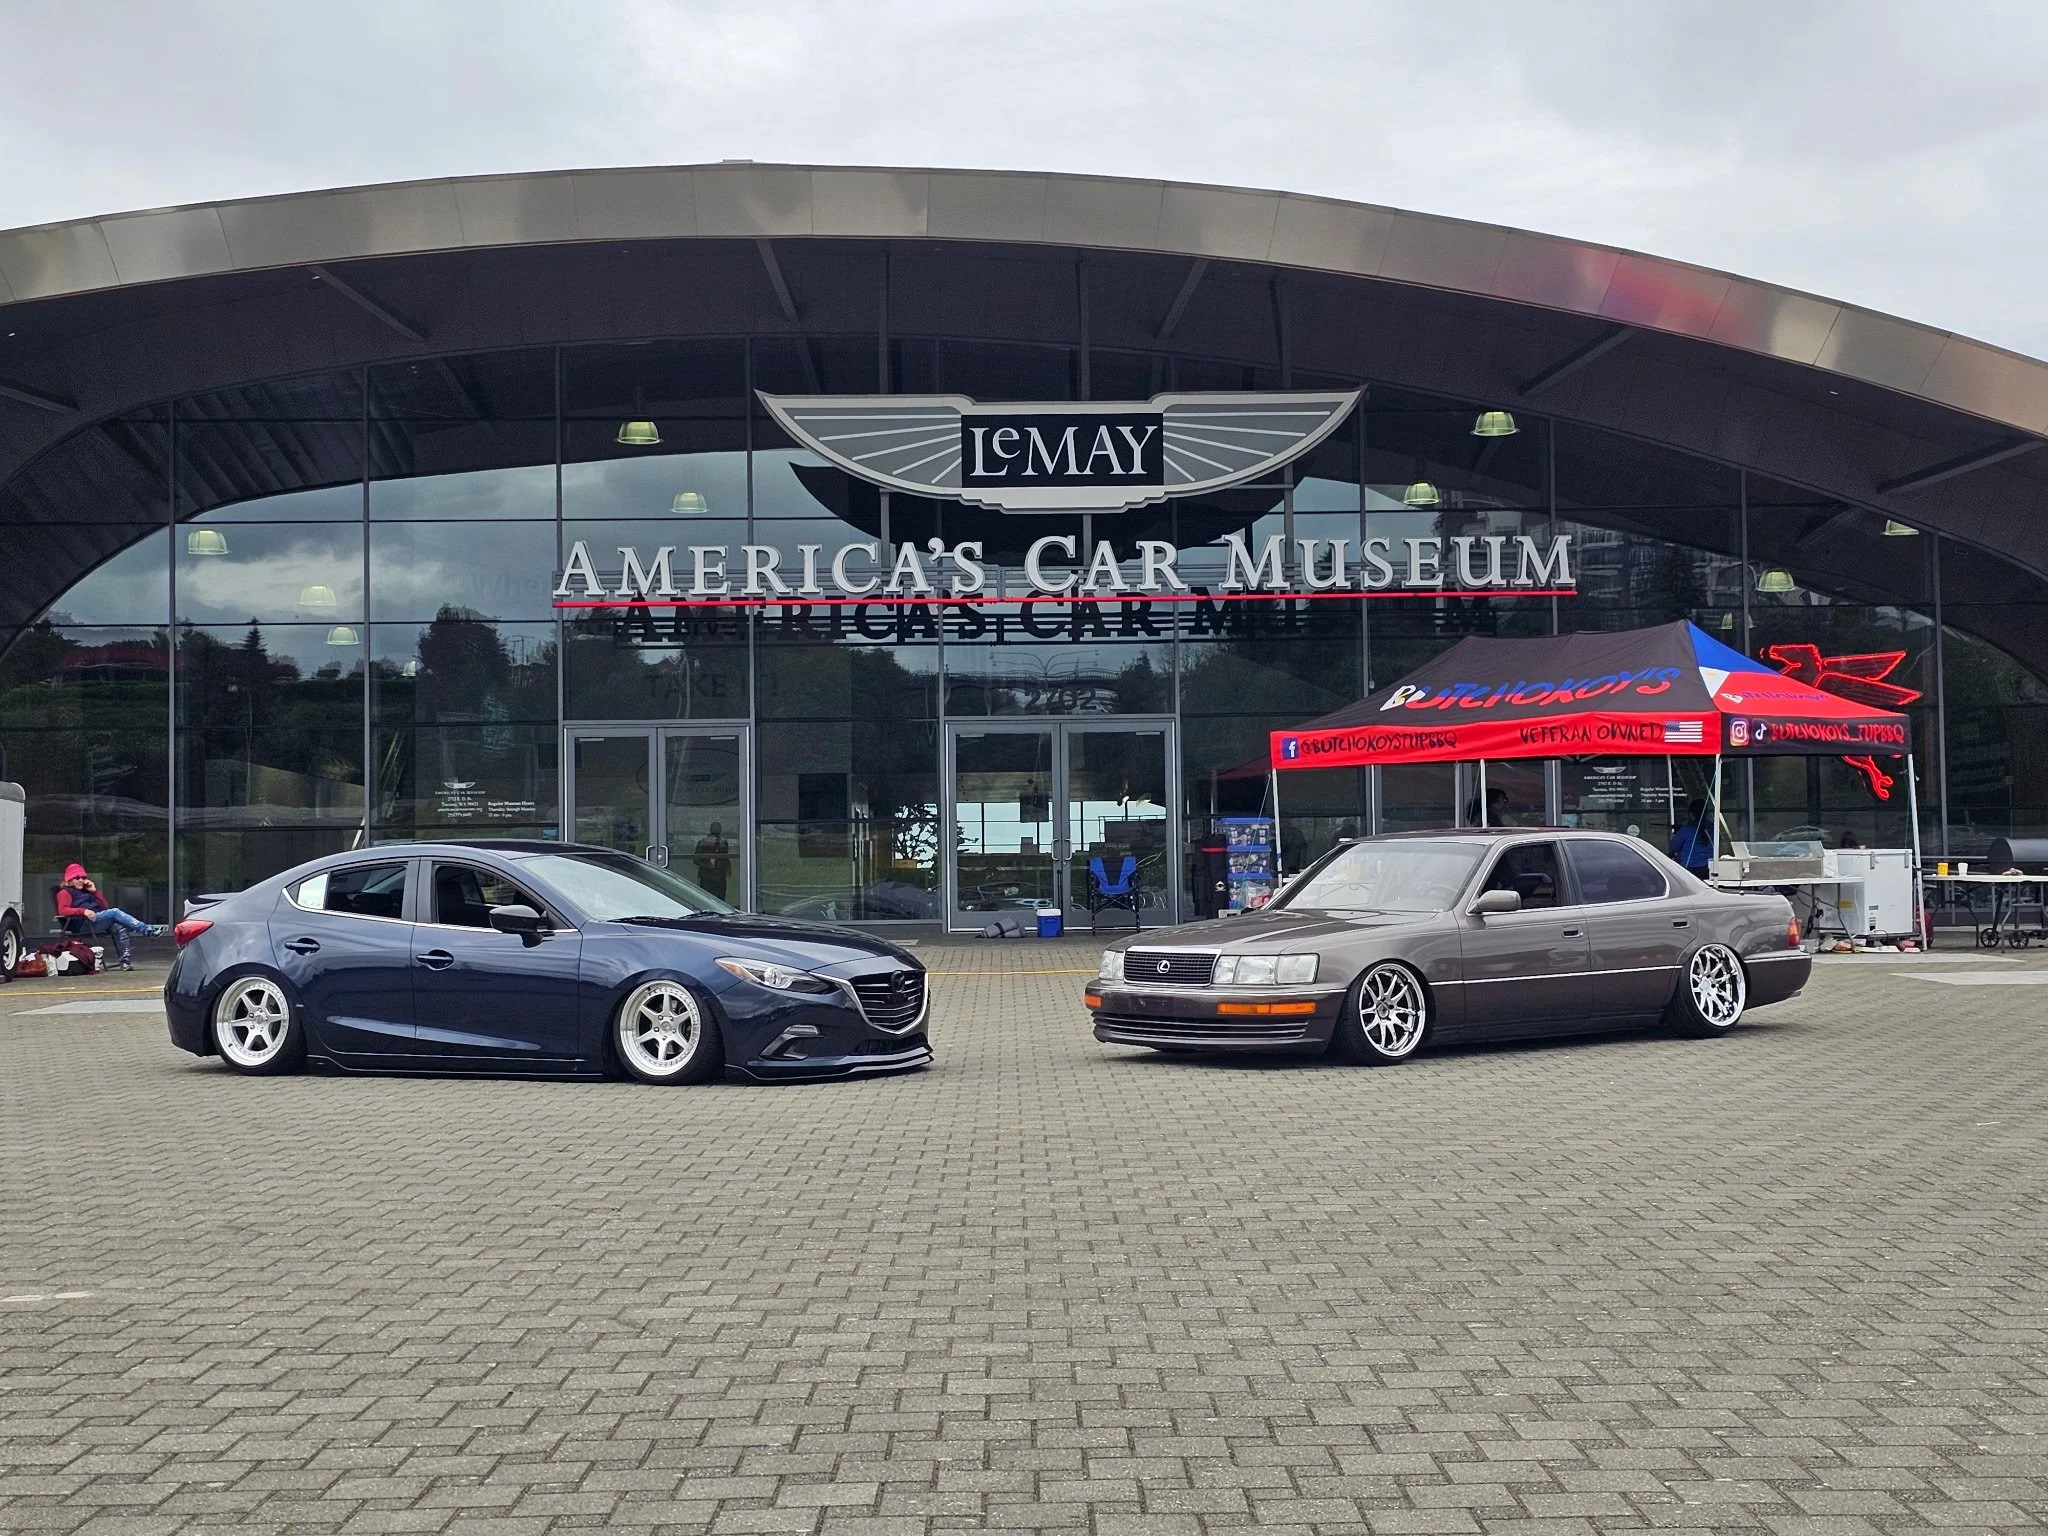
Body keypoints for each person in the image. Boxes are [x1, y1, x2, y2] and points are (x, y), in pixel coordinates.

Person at [54, 864, 163, 970]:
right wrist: (83, 911)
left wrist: (94, 891)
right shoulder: (64, 892)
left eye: (83, 877)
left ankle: (125, 962)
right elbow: (63, 910)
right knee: (115, 912)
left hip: (96, 919)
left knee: (119, 927)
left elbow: (105, 907)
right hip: (82, 923)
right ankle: (147, 930)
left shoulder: (86, 891)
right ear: (69, 879)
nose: (81, 880)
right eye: (77, 878)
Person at [1666, 800, 1714, 877]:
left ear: (1691, 814)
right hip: (1709, 869)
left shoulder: (1686, 830)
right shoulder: (1712, 828)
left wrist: (1673, 838)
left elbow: (1672, 849)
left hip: (1690, 870)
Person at [691, 822, 733, 901]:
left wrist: (728, 869)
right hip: (707, 876)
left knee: (720, 899)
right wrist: (707, 865)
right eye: (716, 828)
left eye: (718, 828)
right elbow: (696, 860)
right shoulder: (702, 842)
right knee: (706, 898)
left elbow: (726, 857)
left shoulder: (723, 842)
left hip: (720, 876)